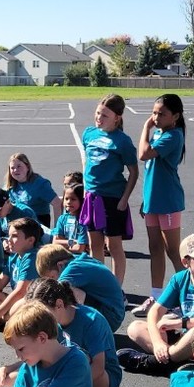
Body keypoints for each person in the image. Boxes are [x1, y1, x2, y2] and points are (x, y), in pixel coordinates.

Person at [119, 233, 194, 375]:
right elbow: (155, 311)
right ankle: (178, 361)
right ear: (186, 262)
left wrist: (180, 323)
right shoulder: (180, 279)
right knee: (135, 328)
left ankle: (154, 363)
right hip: (184, 338)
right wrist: (158, 342)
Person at [27, 278, 121, 387]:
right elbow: (36, 355)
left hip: (102, 381)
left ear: (59, 305)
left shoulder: (91, 320)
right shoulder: (51, 322)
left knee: (80, 357)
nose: (39, 319)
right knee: (16, 375)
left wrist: (63, 386)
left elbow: (98, 367)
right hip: (67, 374)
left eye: (43, 314)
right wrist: (10, 368)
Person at [134, 94, 187, 317]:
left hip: (168, 202)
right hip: (153, 203)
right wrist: (146, 201)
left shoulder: (173, 136)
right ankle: (156, 297)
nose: (155, 117)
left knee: (173, 252)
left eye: (161, 114)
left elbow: (143, 154)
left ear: (175, 116)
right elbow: (151, 173)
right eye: (154, 112)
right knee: (155, 249)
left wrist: (145, 127)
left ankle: (188, 298)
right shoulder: (160, 133)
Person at [80, 94, 139, 273]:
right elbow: (86, 162)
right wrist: (85, 188)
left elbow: (134, 172)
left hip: (112, 198)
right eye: (98, 113)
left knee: (114, 246)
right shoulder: (89, 134)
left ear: (117, 118)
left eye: (105, 115)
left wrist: (124, 199)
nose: (99, 118)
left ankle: (115, 287)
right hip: (92, 197)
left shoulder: (122, 141)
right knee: (94, 245)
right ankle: (100, 283)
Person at [36, 244, 125, 332]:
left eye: (52, 277)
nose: (53, 280)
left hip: (111, 318)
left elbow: (51, 292)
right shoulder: (75, 259)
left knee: (62, 292)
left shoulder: (73, 269)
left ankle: (82, 329)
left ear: (60, 265)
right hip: (113, 310)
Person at [0, 217, 42, 329]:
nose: (8, 240)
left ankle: (3, 319)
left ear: (30, 240)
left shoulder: (31, 258)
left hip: (30, 303)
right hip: (18, 303)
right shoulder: (14, 256)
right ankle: (7, 319)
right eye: (9, 235)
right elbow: (1, 282)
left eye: (14, 236)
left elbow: (20, 292)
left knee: (17, 304)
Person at [4, 153, 60, 227]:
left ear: (27, 167)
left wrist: (57, 230)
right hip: (15, 226)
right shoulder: (9, 186)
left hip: (36, 227)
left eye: (19, 166)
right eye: (12, 168)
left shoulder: (40, 184)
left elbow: (57, 203)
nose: (15, 170)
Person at [51, 183, 90, 255]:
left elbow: (80, 248)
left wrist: (63, 245)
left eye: (73, 199)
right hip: (64, 256)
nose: (68, 202)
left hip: (81, 259)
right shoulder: (62, 219)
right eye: (66, 199)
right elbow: (55, 242)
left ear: (81, 201)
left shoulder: (84, 221)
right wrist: (72, 242)